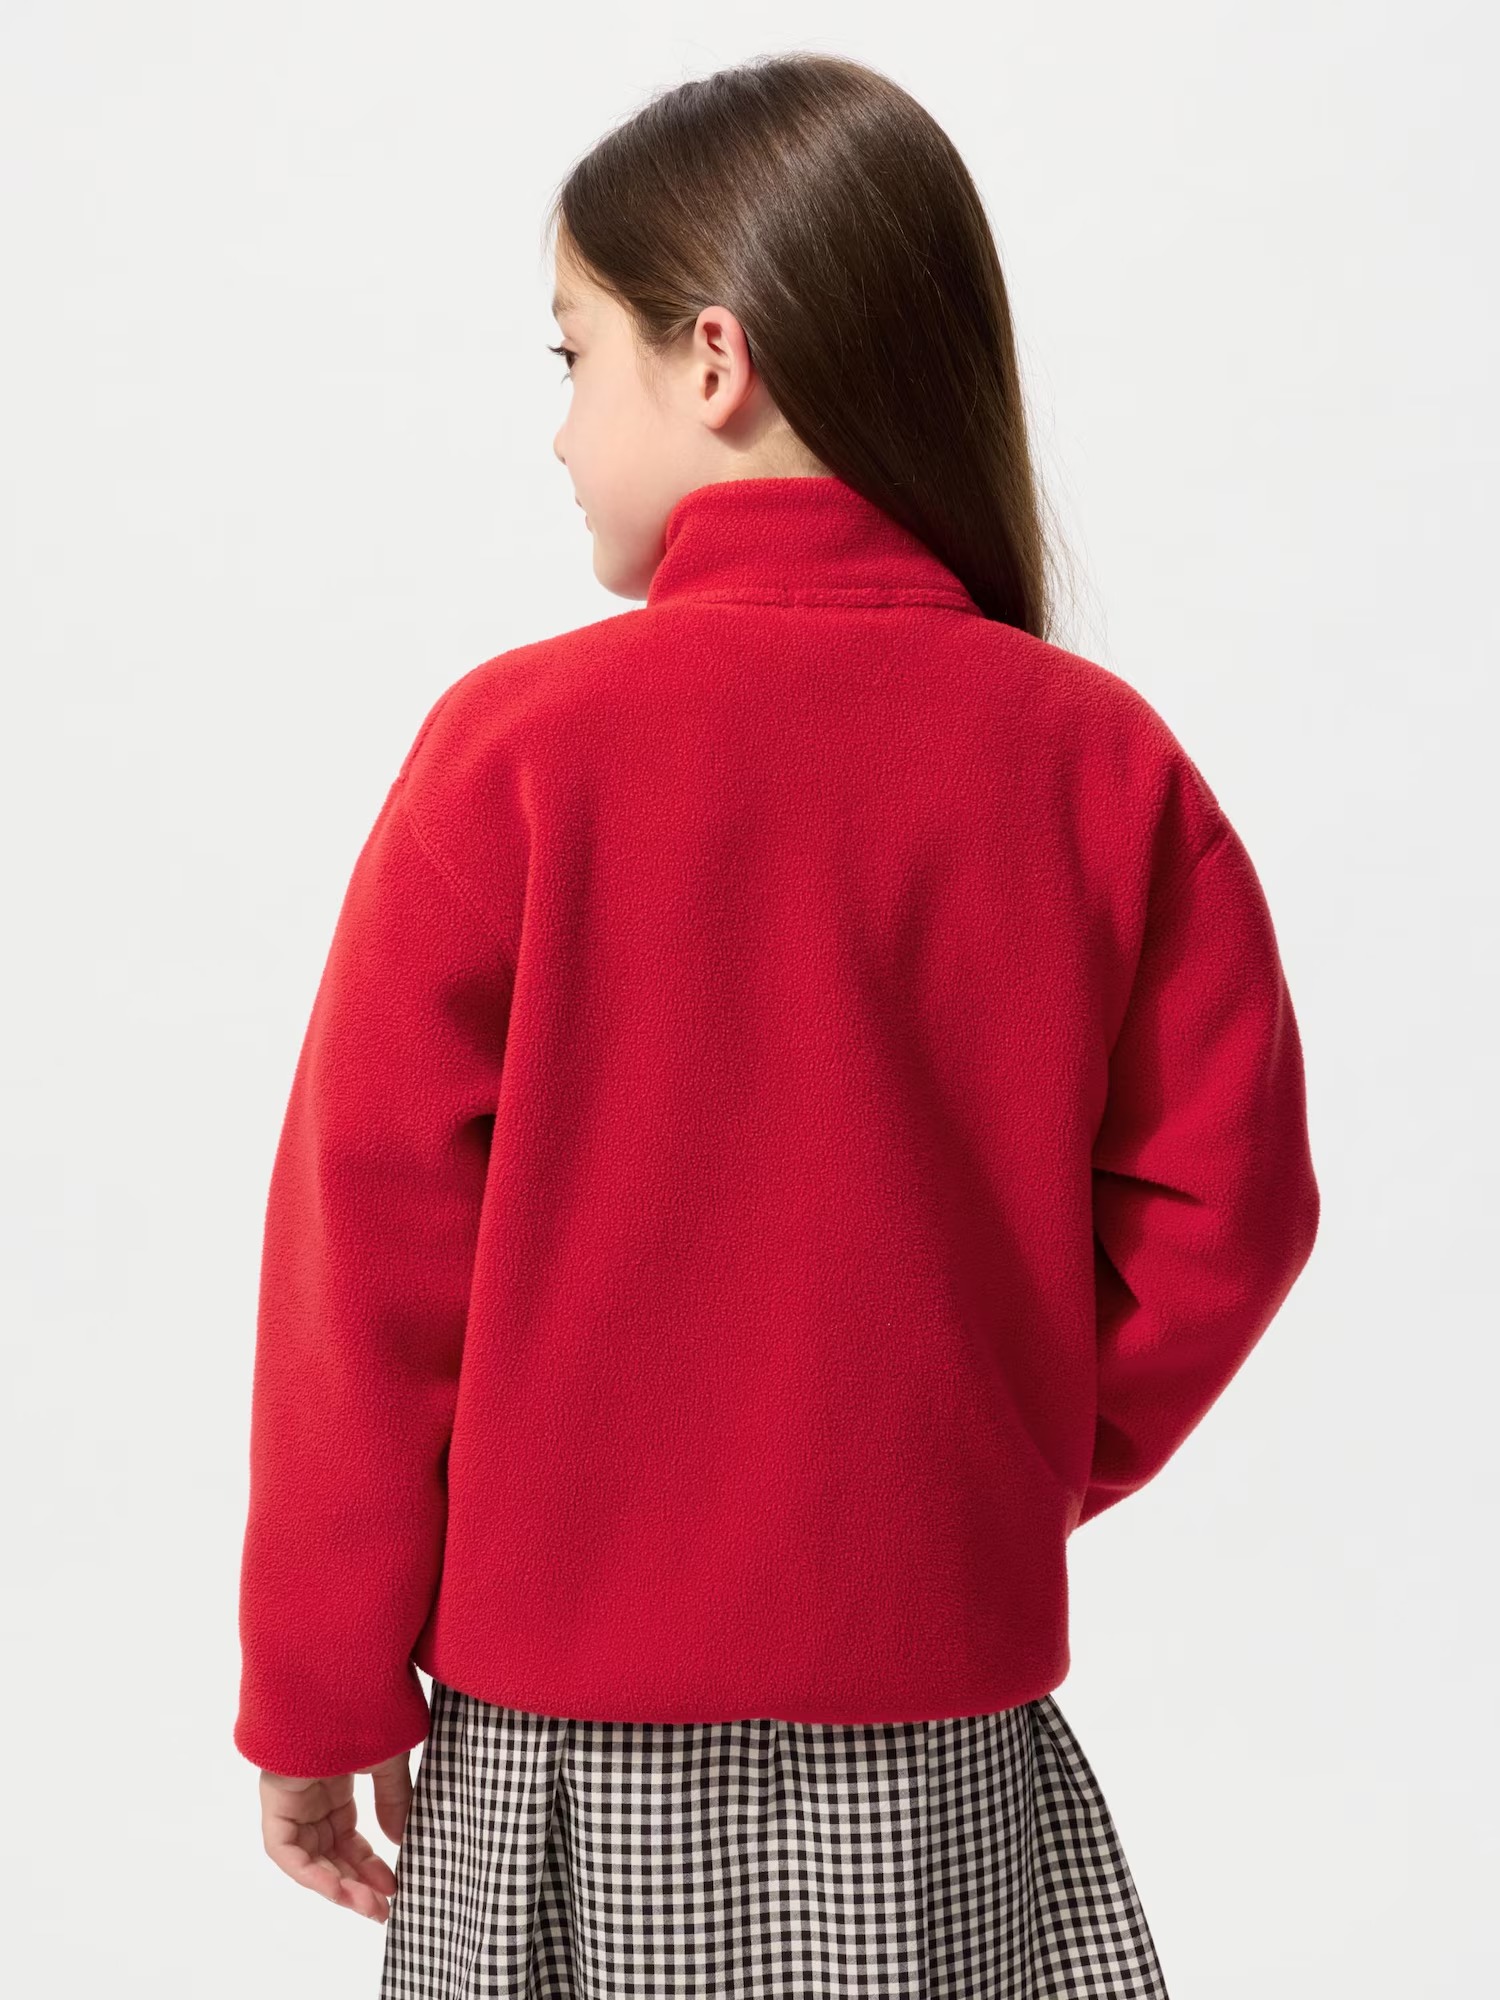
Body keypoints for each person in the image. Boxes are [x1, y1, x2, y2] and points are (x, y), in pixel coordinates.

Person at [234, 50, 1320, 1998]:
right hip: (939, 1758)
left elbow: (364, 1259)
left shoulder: (517, 755)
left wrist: (319, 1684)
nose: (560, 431)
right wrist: (975, 1462)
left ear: (714, 359)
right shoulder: (1099, 767)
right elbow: (1227, 1214)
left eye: (574, 354)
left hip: (563, 1768)